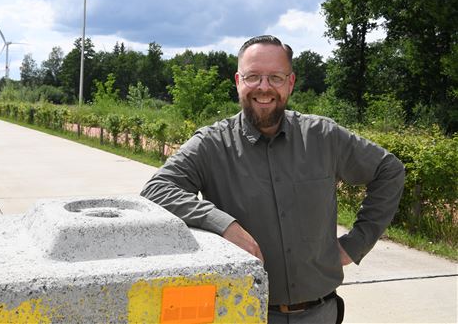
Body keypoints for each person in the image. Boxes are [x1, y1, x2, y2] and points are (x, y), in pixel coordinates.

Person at [140, 35, 405, 323]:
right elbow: (157, 189)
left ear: (290, 83)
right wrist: (225, 225)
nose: (264, 88)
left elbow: (389, 171)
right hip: (247, 313)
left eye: (275, 78)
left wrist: (355, 244)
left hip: (321, 313)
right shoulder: (211, 144)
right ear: (238, 81)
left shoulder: (323, 136)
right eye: (253, 76)